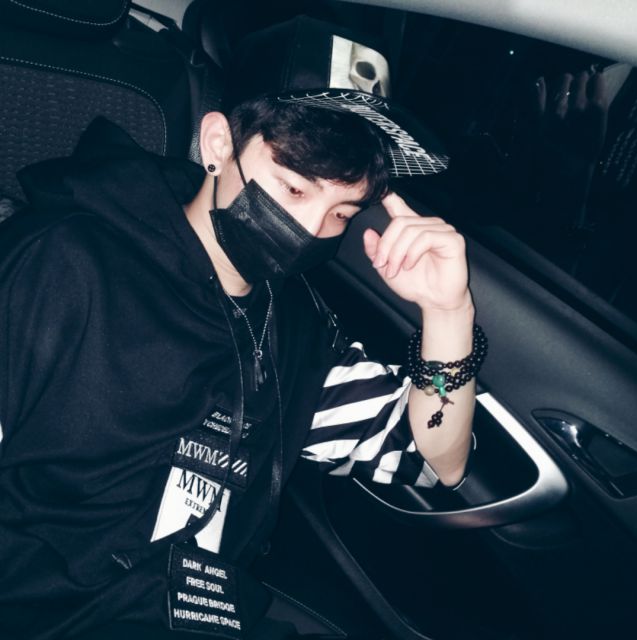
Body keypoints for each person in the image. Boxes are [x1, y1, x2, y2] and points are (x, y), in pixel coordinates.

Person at [0, 16, 483, 640]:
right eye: (294, 189)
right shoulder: (64, 264)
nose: (311, 230)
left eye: (342, 212)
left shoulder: (299, 326)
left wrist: (449, 313)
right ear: (218, 144)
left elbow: (435, 457)